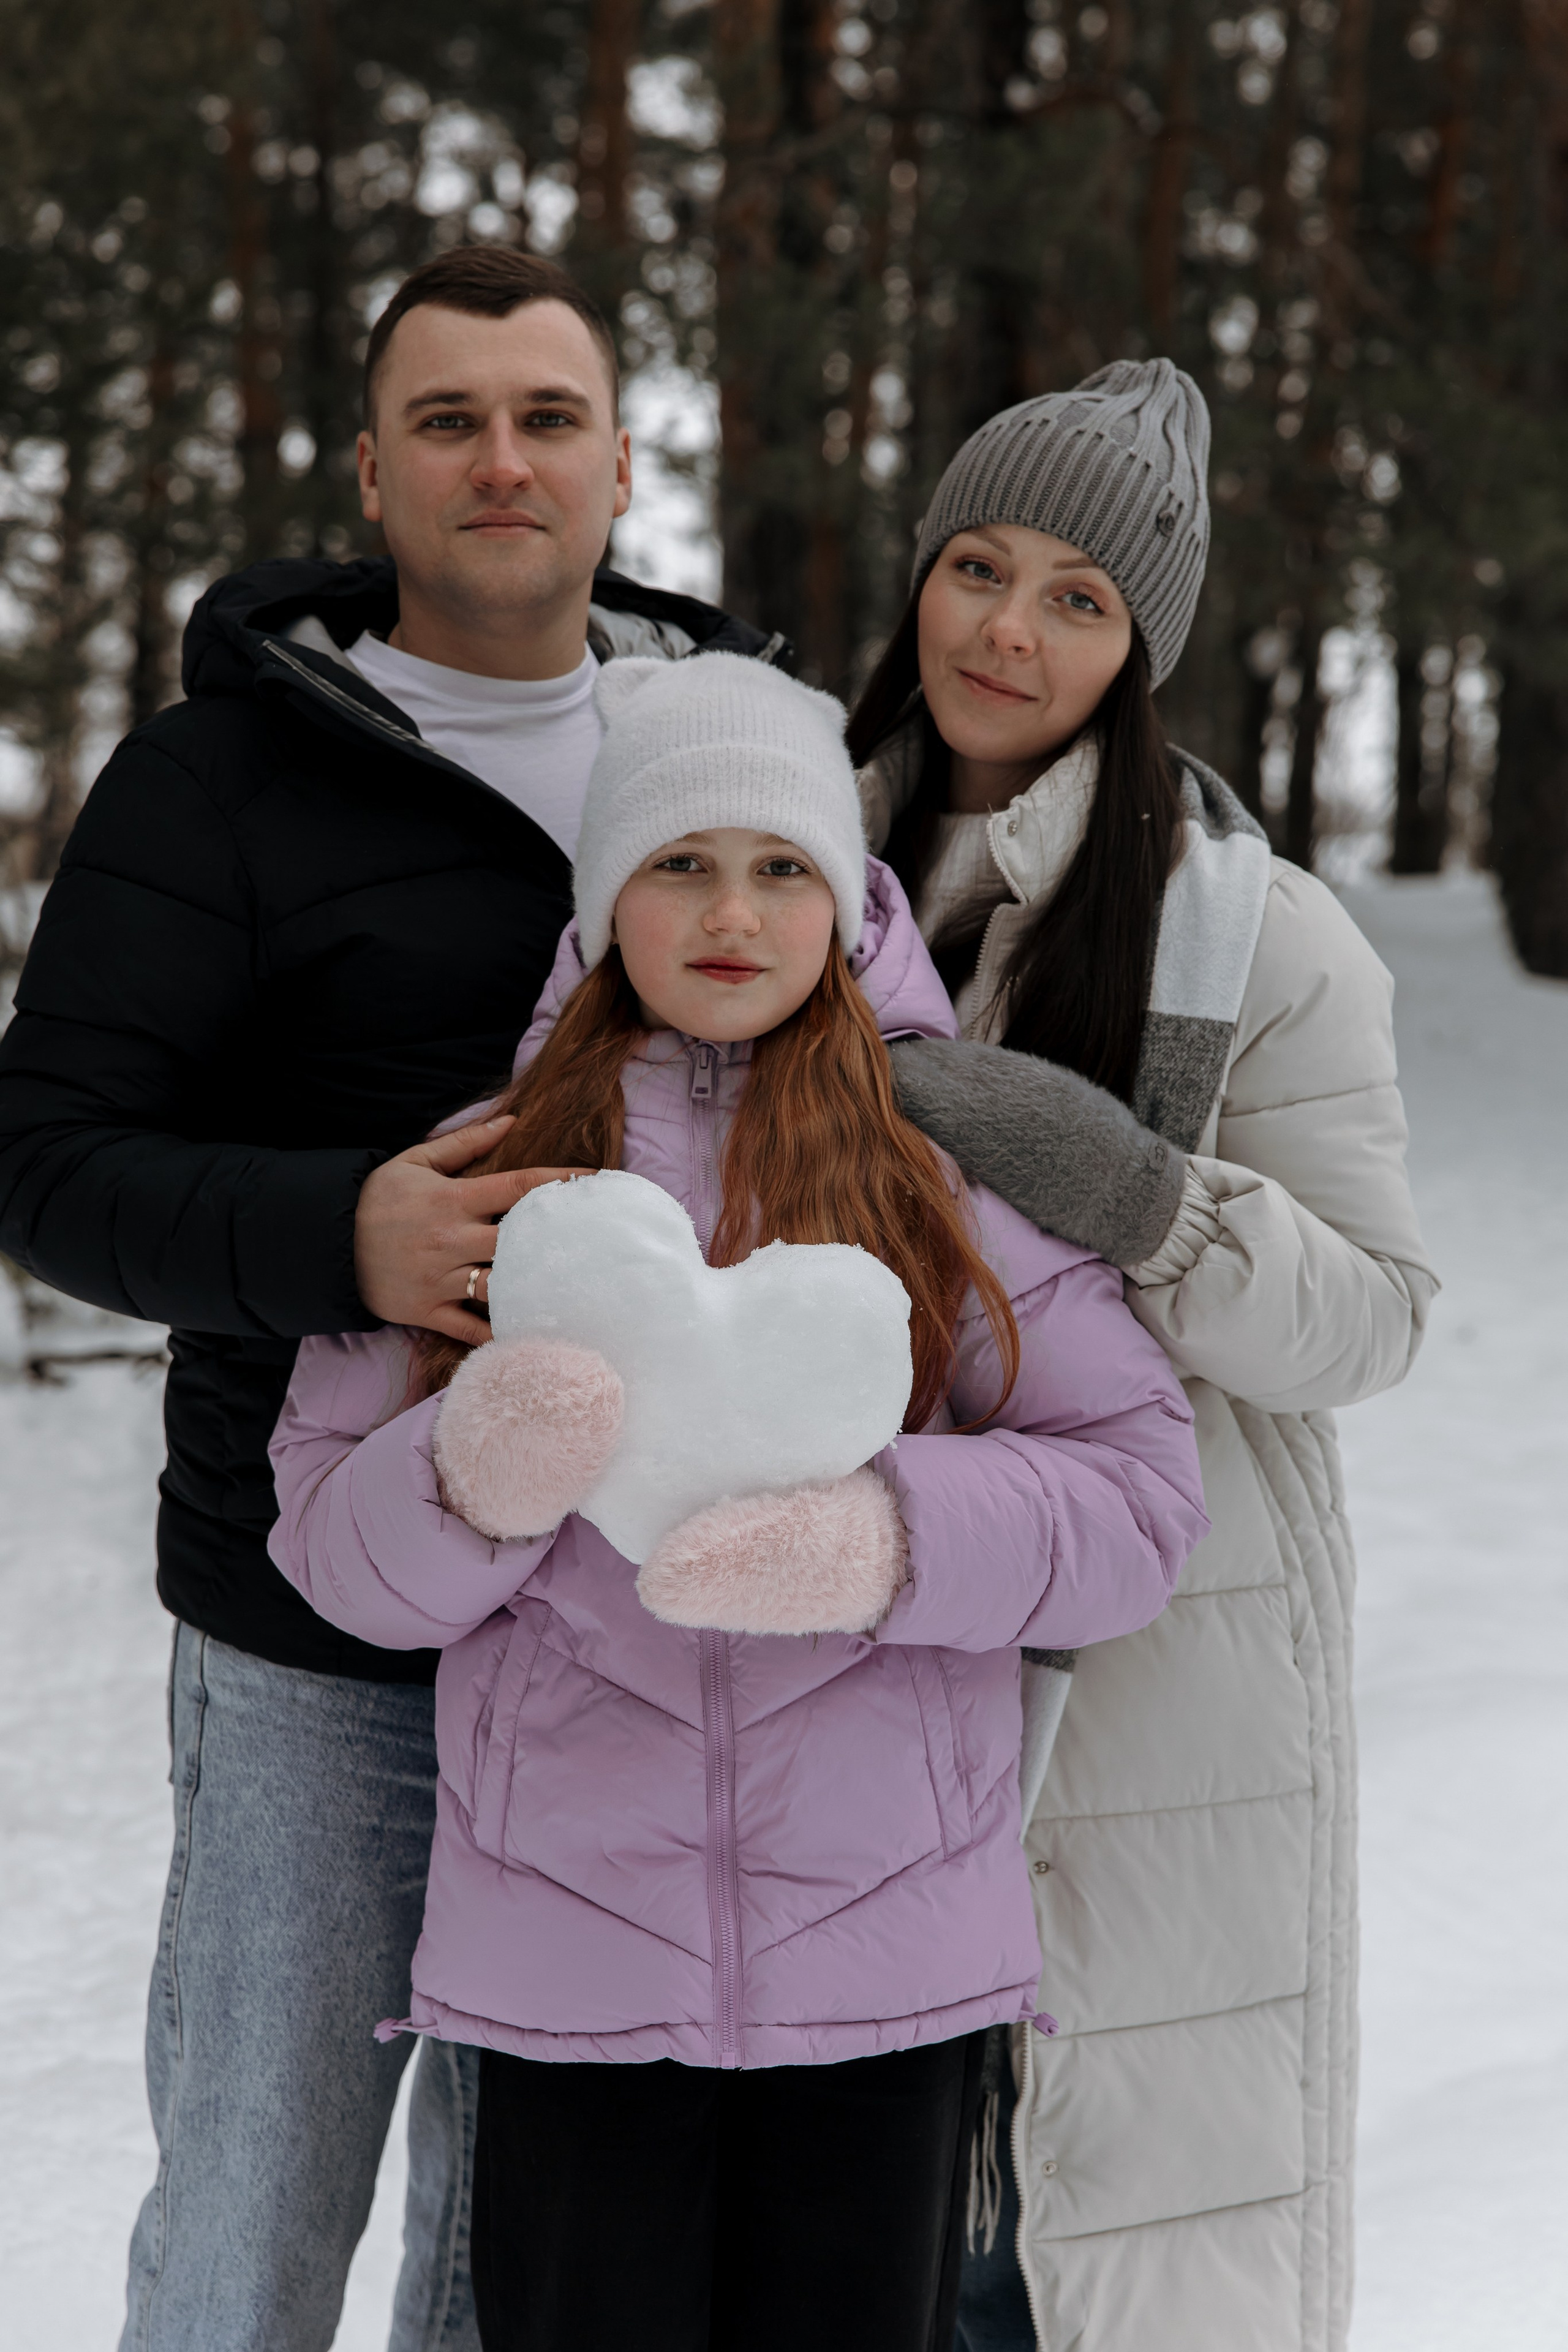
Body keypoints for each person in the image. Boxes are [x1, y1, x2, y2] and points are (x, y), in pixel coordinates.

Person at [0, 246, 783, 2352]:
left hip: (624, 1633)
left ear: (624, 462)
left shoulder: (731, 758)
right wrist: (340, 1235)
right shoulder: (217, 780)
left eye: (547, 418)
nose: (501, 459)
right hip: (315, 1635)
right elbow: (45, 1160)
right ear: (371, 470)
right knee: (258, 2210)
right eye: (449, 421)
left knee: (517, 2253)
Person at [265, 649, 1210, 2352]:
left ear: (844, 901)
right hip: (571, 1966)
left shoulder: (944, 1172)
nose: (730, 911)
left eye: (782, 865)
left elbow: (1140, 1506)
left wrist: (885, 1539)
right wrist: (471, 1472)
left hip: (889, 1964)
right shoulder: (484, 1176)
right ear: (603, 899)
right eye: (679, 861)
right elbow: (337, 1553)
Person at [848, 359, 1439, 2351]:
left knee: (1079, 2223)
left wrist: (1145, 1199)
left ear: (1141, 652)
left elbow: (1372, 1316)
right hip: (837, 1618)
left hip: (1153, 1661)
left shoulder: (1256, 936)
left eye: (1080, 598)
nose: (1009, 630)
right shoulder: (772, 869)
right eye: (980, 566)